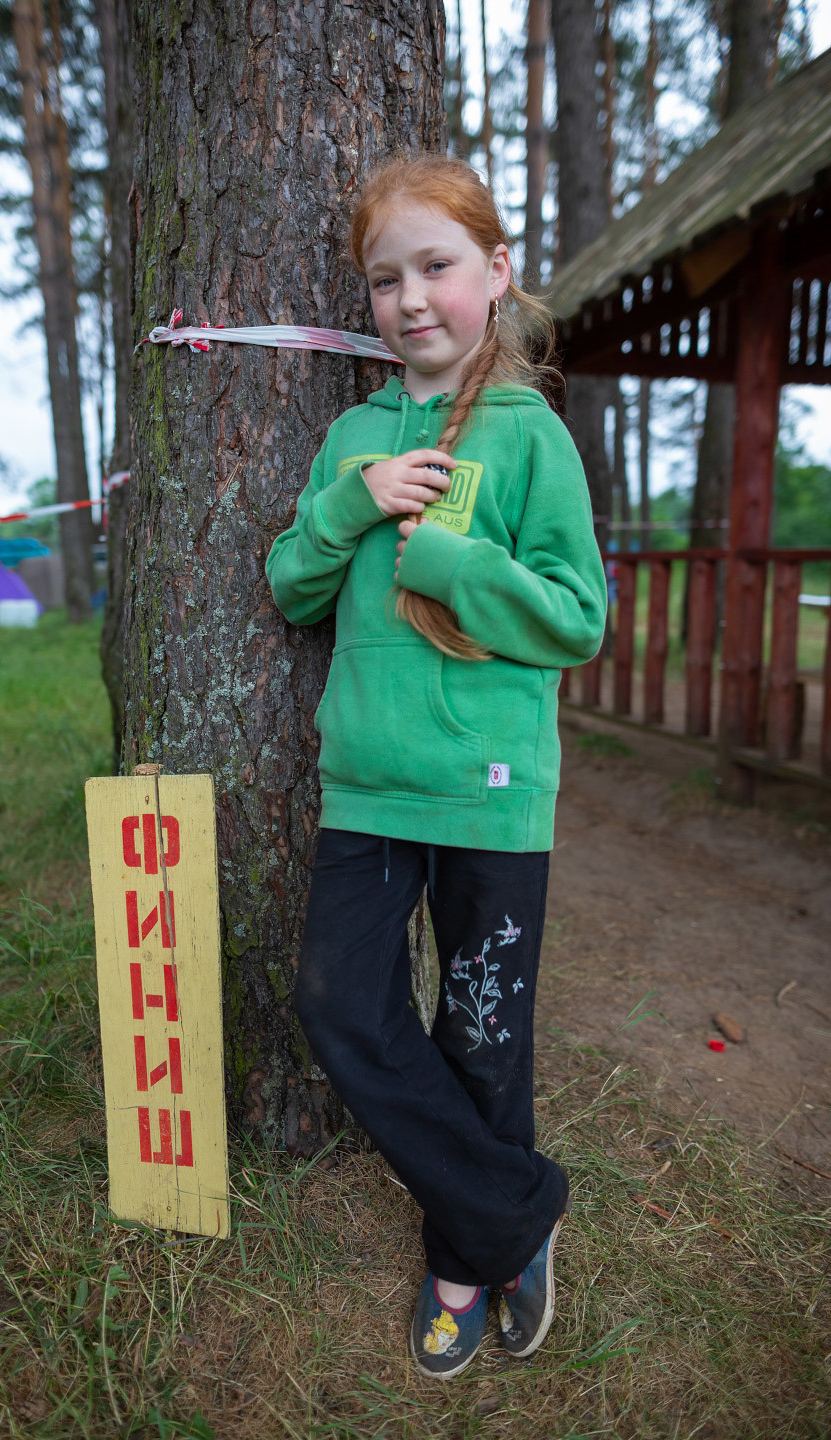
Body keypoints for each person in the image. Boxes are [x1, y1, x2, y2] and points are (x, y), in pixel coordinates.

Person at [265, 155, 607, 1379]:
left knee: (480, 1035)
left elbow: (580, 618)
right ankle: (520, 1208)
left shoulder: (529, 436)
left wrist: (457, 563)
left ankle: (465, 1257)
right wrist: (348, 508)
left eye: (439, 267)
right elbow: (290, 585)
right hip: (367, 785)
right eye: (385, 279)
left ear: (498, 274)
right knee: (337, 1002)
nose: (413, 300)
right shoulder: (354, 437)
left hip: (491, 797)